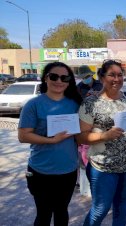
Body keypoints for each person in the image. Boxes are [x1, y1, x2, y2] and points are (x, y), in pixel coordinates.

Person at [76, 60, 126, 226]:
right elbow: (81, 137)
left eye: (119, 75)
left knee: (121, 205)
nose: (116, 79)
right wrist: (105, 135)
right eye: (112, 75)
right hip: (104, 167)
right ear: (102, 77)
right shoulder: (91, 103)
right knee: (100, 209)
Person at [18, 62, 83, 226]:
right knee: (44, 214)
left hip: (67, 170)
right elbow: (23, 136)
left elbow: (83, 131)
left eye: (65, 77)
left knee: (62, 211)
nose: (59, 81)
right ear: (45, 78)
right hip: (41, 171)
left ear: (69, 81)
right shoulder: (33, 105)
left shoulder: (75, 104)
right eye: (54, 76)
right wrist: (51, 140)